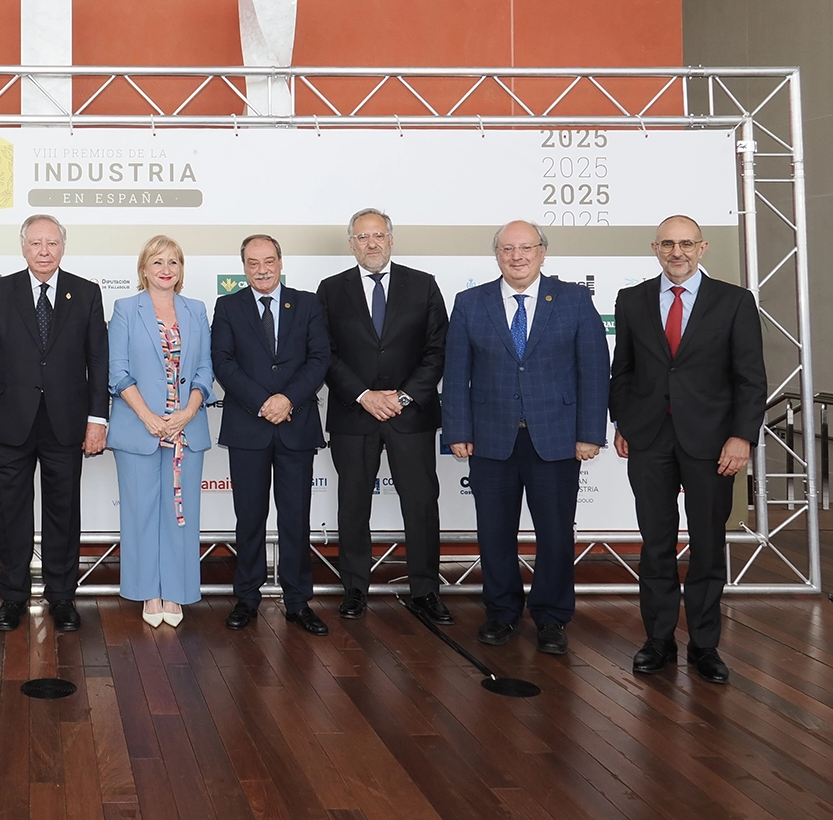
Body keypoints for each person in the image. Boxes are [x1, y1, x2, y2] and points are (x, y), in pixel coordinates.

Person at [611, 215, 766, 683]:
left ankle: (704, 644)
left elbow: (750, 377)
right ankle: (658, 639)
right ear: (654, 248)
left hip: (714, 442)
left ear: (702, 248)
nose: (676, 252)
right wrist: (624, 422)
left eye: (685, 244)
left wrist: (742, 436)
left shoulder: (735, 301)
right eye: (667, 244)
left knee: (708, 544)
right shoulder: (632, 299)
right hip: (649, 439)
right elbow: (623, 370)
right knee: (656, 543)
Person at [443, 220, 609, 655]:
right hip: (490, 439)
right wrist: (457, 429)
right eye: (507, 249)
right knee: (494, 532)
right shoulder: (470, 302)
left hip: (556, 438)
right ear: (496, 255)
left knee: (555, 533)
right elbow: (456, 374)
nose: (516, 256)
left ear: (542, 252)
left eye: (526, 248)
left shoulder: (574, 299)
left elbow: (594, 370)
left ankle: (551, 617)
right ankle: (502, 611)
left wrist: (590, 433)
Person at [0, 214, 108, 633]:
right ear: (23, 247)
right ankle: (12, 596)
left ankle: (62, 596)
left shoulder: (86, 293)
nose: (44, 251)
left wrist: (97, 419)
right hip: (10, 421)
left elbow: (98, 361)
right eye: (35, 243)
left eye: (52, 243)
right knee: (11, 512)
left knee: (63, 512)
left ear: (63, 247)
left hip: (66, 422)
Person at [317, 208, 450, 623]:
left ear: (391, 240)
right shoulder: (330, 289)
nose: (371, 243)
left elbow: (437, 351)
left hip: (410, 416)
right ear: (351, 244)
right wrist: (363, 396)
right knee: (353, 505)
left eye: (378, 235)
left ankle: (426, 591)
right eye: (362, 237)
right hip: (353, 414)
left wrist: (404, 398)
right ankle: (355, 588)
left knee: (421, 505)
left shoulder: (423, 285)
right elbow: (325, 354)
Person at [211, 234, 332, 635]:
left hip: (296, 425)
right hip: (249, 425)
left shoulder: (308, 303)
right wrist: (263, 403)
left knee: (296, 518)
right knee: (249, 518)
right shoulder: (228, 306)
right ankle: (247, 598)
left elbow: (320, 359)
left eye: (268, 261)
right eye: (253, 263)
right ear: (243, 267)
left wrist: (287, 400)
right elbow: (223, 362)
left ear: (281, 262)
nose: (262, 270)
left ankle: (298, 602)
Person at [107, 235, 215, 627]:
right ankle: (148, 593)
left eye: (173, 262)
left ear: (181, 269)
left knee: (180, 516)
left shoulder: (196, 310)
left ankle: (176, 592)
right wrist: (149, 417)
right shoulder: (125, 309)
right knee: (140, 513)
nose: (166, 269)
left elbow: (205, 368)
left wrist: (187, 412)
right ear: (143, 269)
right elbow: (117, 370)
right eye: (157, 262)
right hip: (140, 429)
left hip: (186, 428)